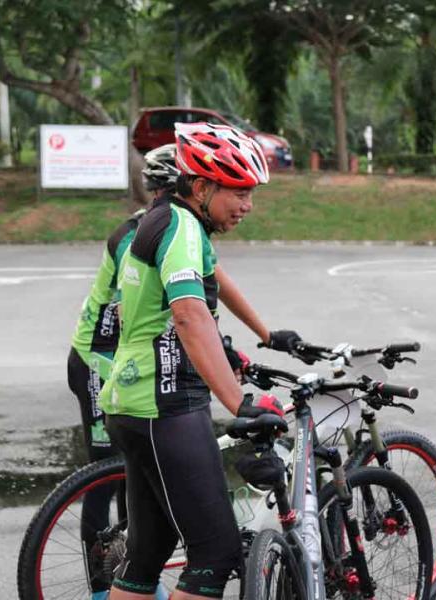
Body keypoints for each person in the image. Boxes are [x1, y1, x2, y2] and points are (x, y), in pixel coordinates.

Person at [98, 122, 300, 600]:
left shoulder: (161, 220)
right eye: (240, 192)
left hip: (133, 402)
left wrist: (244, 345)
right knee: (215, 553)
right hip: (165, 407)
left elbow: (155, 314)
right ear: (203, 186)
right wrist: (239, 403)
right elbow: (188, 315)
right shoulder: (181, 229)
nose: (248, 205)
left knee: (146, 556)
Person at [67, 143, 180, 598]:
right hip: (99, 359)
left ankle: (134, 576)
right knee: (106, 475)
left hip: (130, 358)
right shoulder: (137, 233)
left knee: (135, 474)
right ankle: (101, 588)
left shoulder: (176, 226)